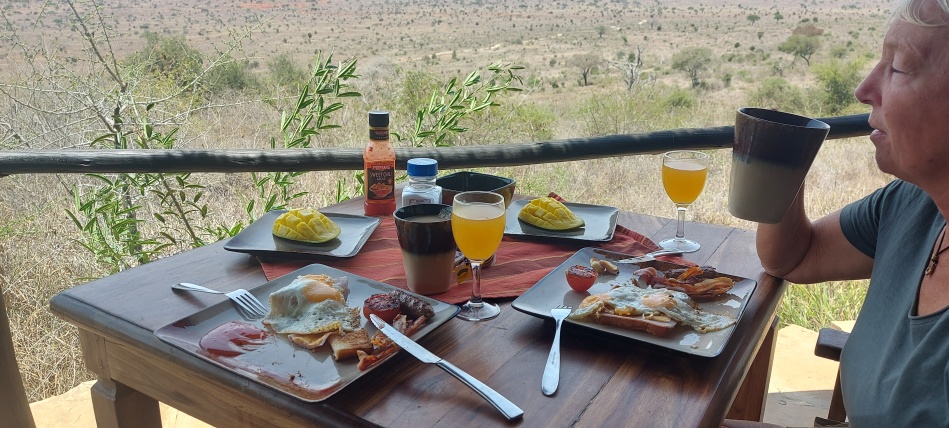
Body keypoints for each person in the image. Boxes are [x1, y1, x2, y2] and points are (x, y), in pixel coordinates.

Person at [753, 0, 949, 426]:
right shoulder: (914, 204)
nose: (863, 88)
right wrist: (784, 154)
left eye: (897, 67)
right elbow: (794, 256)